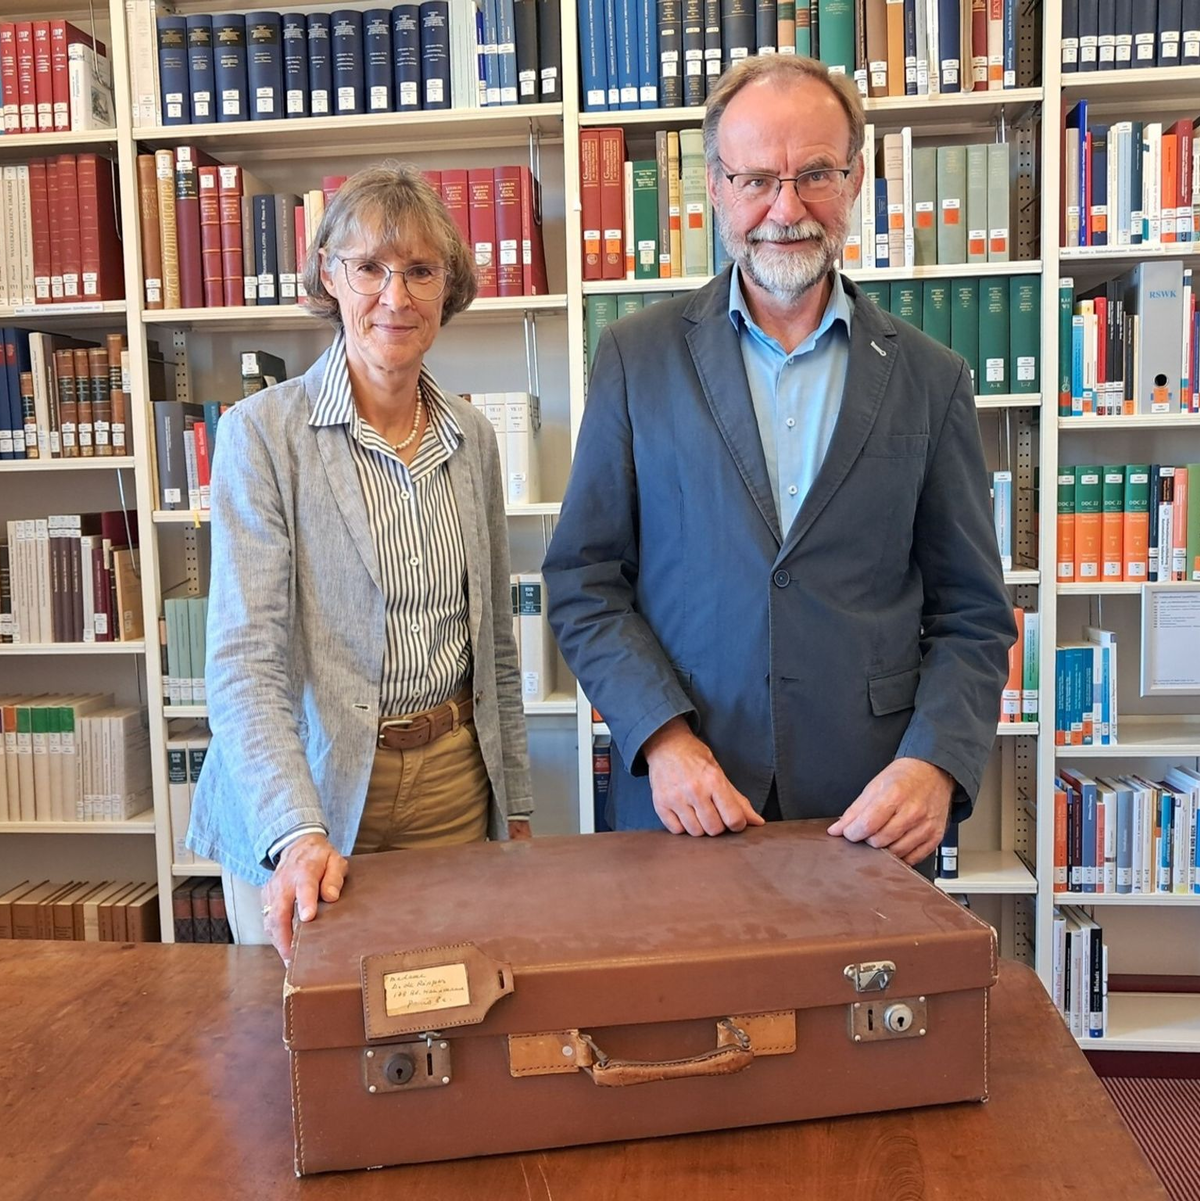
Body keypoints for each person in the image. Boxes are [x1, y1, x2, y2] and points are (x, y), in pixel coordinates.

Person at [543, 55, 1015, 875]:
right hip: (685, 800)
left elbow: (973, 614)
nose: (786, 208)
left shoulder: (932, 379)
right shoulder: (634, 357)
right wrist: (662, 735)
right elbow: (584, 579)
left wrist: (935, 762)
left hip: (871, 811)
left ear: (857, 179)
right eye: (757, 177)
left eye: (816, 175)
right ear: (717, 187)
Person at [187, 163, 533, 960]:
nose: (395, 295)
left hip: (451, 784)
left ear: (449, 289)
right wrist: (297, 831)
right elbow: (245, 665)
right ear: (327, 277)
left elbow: (496, 648)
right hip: (310, 788)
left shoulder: (473, 440)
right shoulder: (260, 435)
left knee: (449, 1018)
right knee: (309, 1045)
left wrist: (513, 801)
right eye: (369, 268)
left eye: (420, 271)